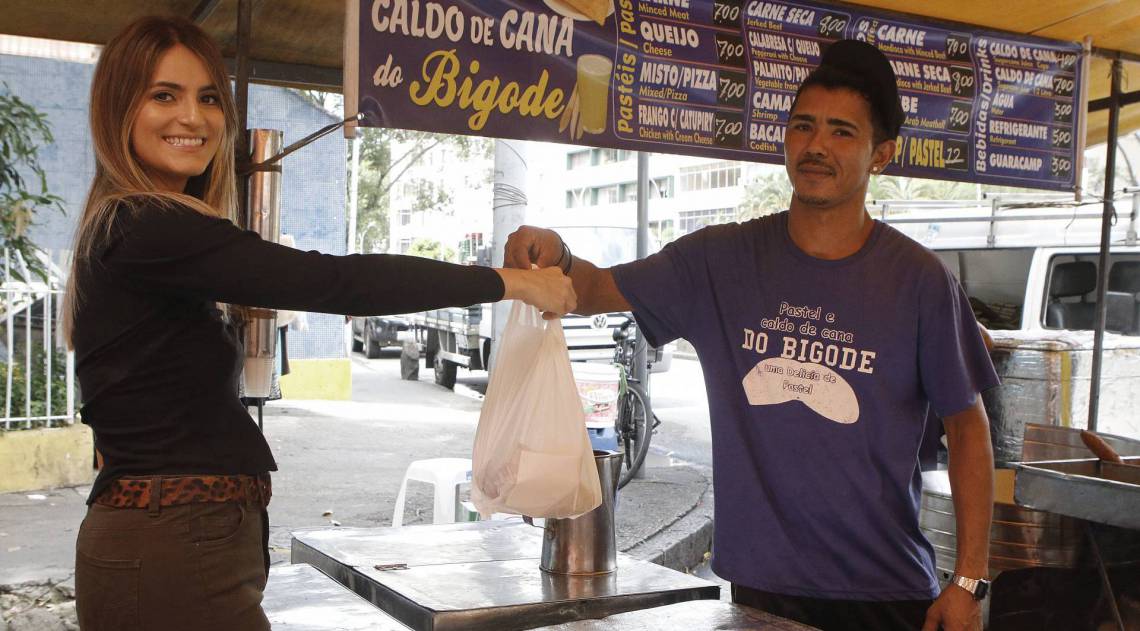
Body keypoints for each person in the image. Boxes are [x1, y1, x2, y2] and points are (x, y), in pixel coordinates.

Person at [62, 16, 575, 631]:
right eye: (163, 96)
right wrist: (508, 281)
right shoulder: (147, 225)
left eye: (207, 99)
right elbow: (335, 281)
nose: (192, 119)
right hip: (174, 543)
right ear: (118, 109)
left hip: (173, 538)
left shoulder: (134, 229)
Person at [507, 40, 998, 631]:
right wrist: (555, 252)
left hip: (885, 593)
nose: (817, 145)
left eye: (842, 132)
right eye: (803, 126)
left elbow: (968, 427)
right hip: (758, 594)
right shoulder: (719, 261)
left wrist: (968, 580)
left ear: (881, 155)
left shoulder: (920, 281)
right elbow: (592, 289)